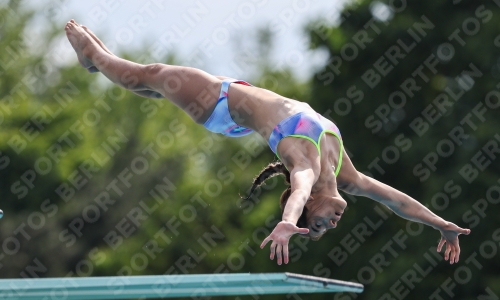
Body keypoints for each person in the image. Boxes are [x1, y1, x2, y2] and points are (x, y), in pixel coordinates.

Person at [65, 20, 470, 266]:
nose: (331, 224)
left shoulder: (306, 171)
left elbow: (296, 193)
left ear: (310, 204)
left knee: (151, 75)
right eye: (328, 227)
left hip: (220, 105)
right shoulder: (345, 175)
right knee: (150, 86)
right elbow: (398, 201)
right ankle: (97, 56)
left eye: (322, 224)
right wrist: (439, 223)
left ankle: (93, 58)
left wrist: (288, 225)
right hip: (238, 104)